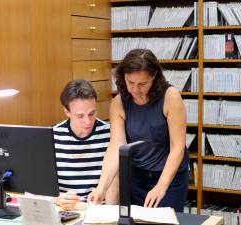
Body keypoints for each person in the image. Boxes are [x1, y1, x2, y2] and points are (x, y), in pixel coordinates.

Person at [87, 49, 189, 212]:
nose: (135, 89)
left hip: (168, 178)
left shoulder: (171, 97)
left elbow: (178, 147)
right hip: (136, 177)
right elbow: (116, 147)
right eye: (130, 82)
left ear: (154, 76)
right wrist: (101, 187)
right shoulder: (119, 102)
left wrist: (161, 186)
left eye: (142, 84)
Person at [53, 79, 115, 210]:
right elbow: (40, 187)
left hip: (99, 210)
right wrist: (57, 199)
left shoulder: (110, 134)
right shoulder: (53, 135)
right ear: (67, 112)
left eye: (92, 113)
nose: (88, 121)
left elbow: (116, 179)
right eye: (80, 116)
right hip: (65, 209)